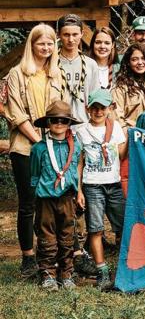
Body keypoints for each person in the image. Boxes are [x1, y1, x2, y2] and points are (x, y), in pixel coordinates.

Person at [4, 23, 67, 278]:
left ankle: (48, 253)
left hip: (52, 144)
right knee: (28, 203)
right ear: (32, 45)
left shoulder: (56, 74)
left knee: (49, 201)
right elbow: (15, 112)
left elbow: (61, 109)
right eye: (41, 43)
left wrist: (53, 138)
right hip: (25, 147)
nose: (46, 47)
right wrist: (38, 139)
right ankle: (28, 257)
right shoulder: (17, 73)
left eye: (50, 43)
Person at [74, 89, 126, 290]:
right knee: (95, 228)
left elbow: (121, 155)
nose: (98, 111)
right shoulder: (82, 131)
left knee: (121, 226)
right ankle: (102, 270)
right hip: (92, 185)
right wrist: (78, 190)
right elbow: (79, 162)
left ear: (109, 108)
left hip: (113, 183)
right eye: (94, 108)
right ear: (88, 109)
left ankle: (124, 267)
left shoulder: (116, 128)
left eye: (102, 108)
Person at [30, 101, 83, 289]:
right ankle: (47, 274)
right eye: (54, 120)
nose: (59, 124)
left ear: (69, 123)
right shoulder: (39, 148)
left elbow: (76, 169)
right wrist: (35, 195)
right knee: (46, 235)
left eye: (63, 120)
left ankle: (66, 272)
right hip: (45, 199)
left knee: (67, 234)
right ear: (48, 123)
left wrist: (79, 193)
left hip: (67, 197)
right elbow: (35, 175)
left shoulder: (75, 146)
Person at [111, 44, 145, 195]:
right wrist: (128, 136)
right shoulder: (121, 87)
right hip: (129, 140)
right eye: (135, 59)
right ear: (128, 63)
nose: (140, 62)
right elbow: (118, 118)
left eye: (143, 58)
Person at [55, 14, 101, 124]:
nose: (71, 39)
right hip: (58, 123)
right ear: (58, 35)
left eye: (75, 34)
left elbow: (95, 98)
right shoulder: (51, 63)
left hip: (84, 124)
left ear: (81, 34)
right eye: (66, 35)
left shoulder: (90, 64)